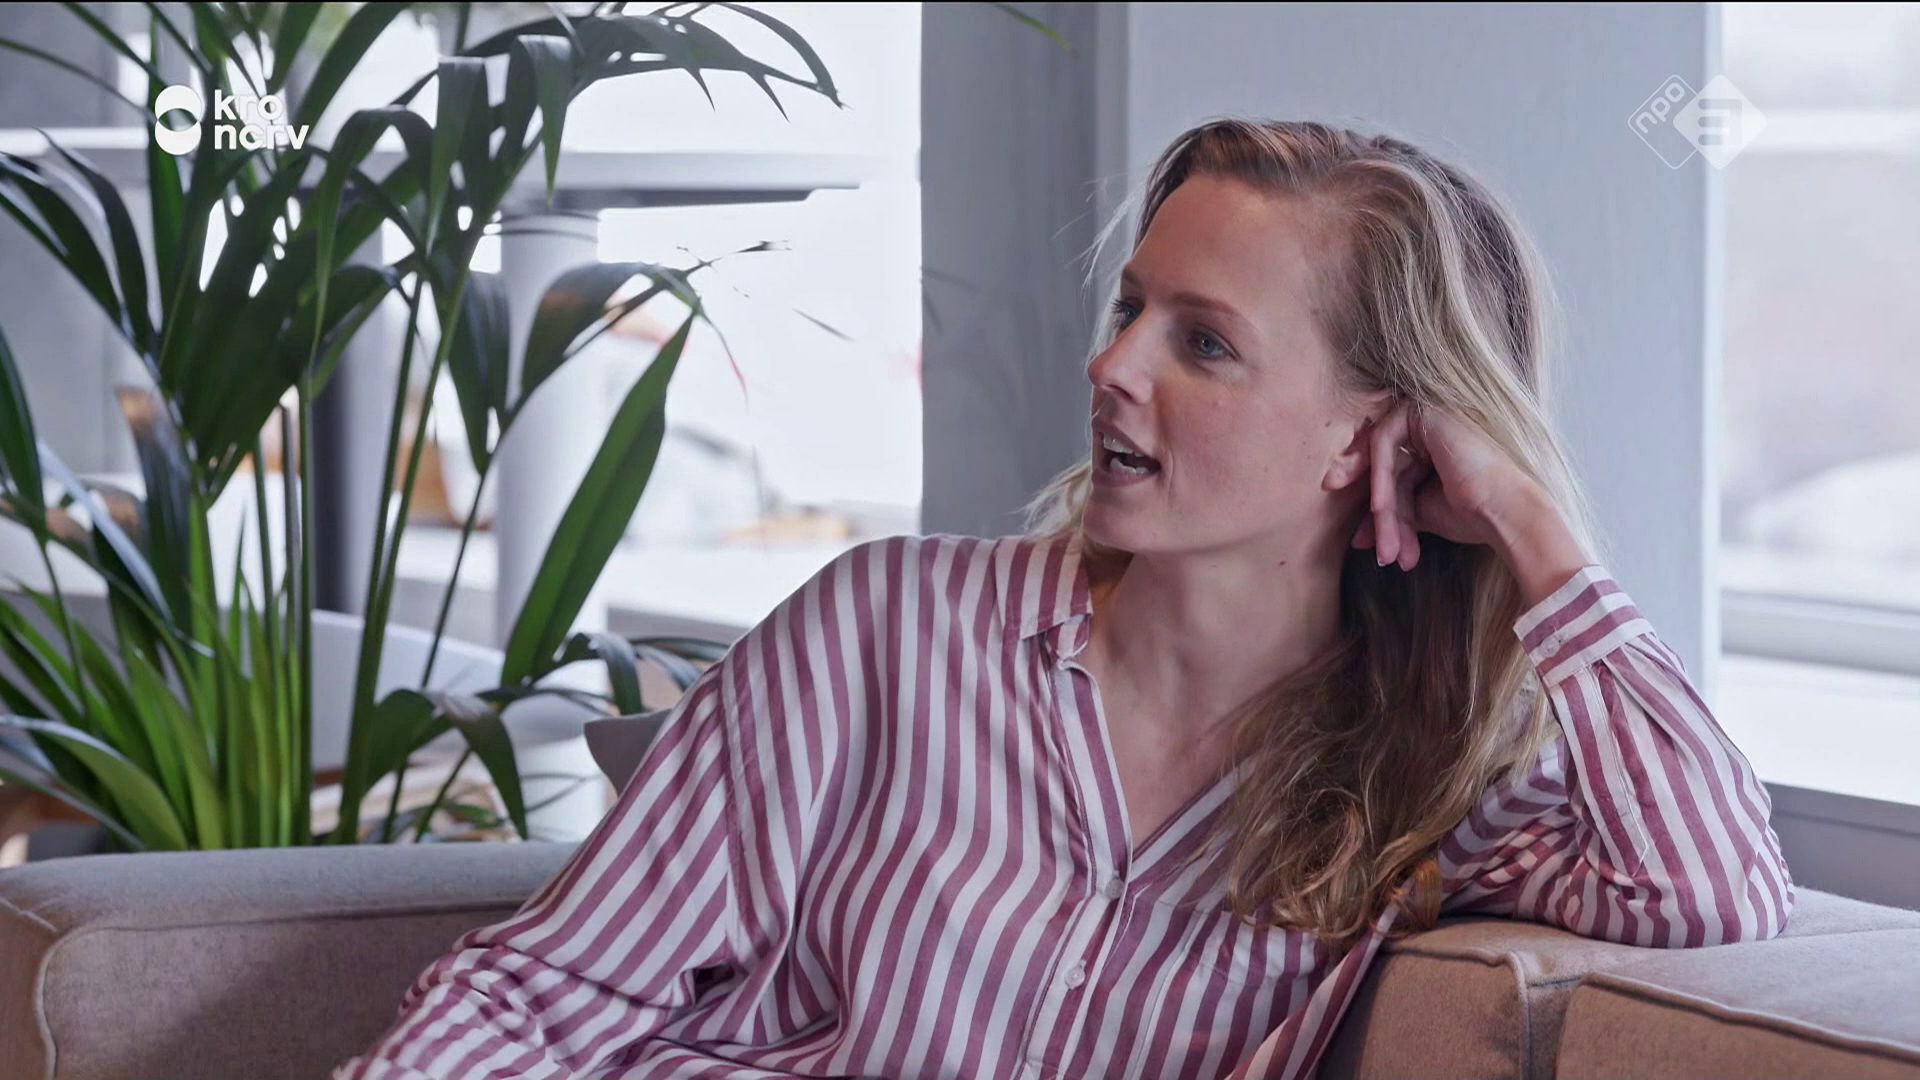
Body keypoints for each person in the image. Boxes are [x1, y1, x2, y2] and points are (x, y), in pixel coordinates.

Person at [333, 117, 1794, 1080]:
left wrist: (1537, 533)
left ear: (1373, 439)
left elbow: (1712, 893)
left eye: (1203, 344)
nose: (1114, 366)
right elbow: (550, 991)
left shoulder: (1432, 779)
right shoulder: (884, 634)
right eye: (1130, 309)